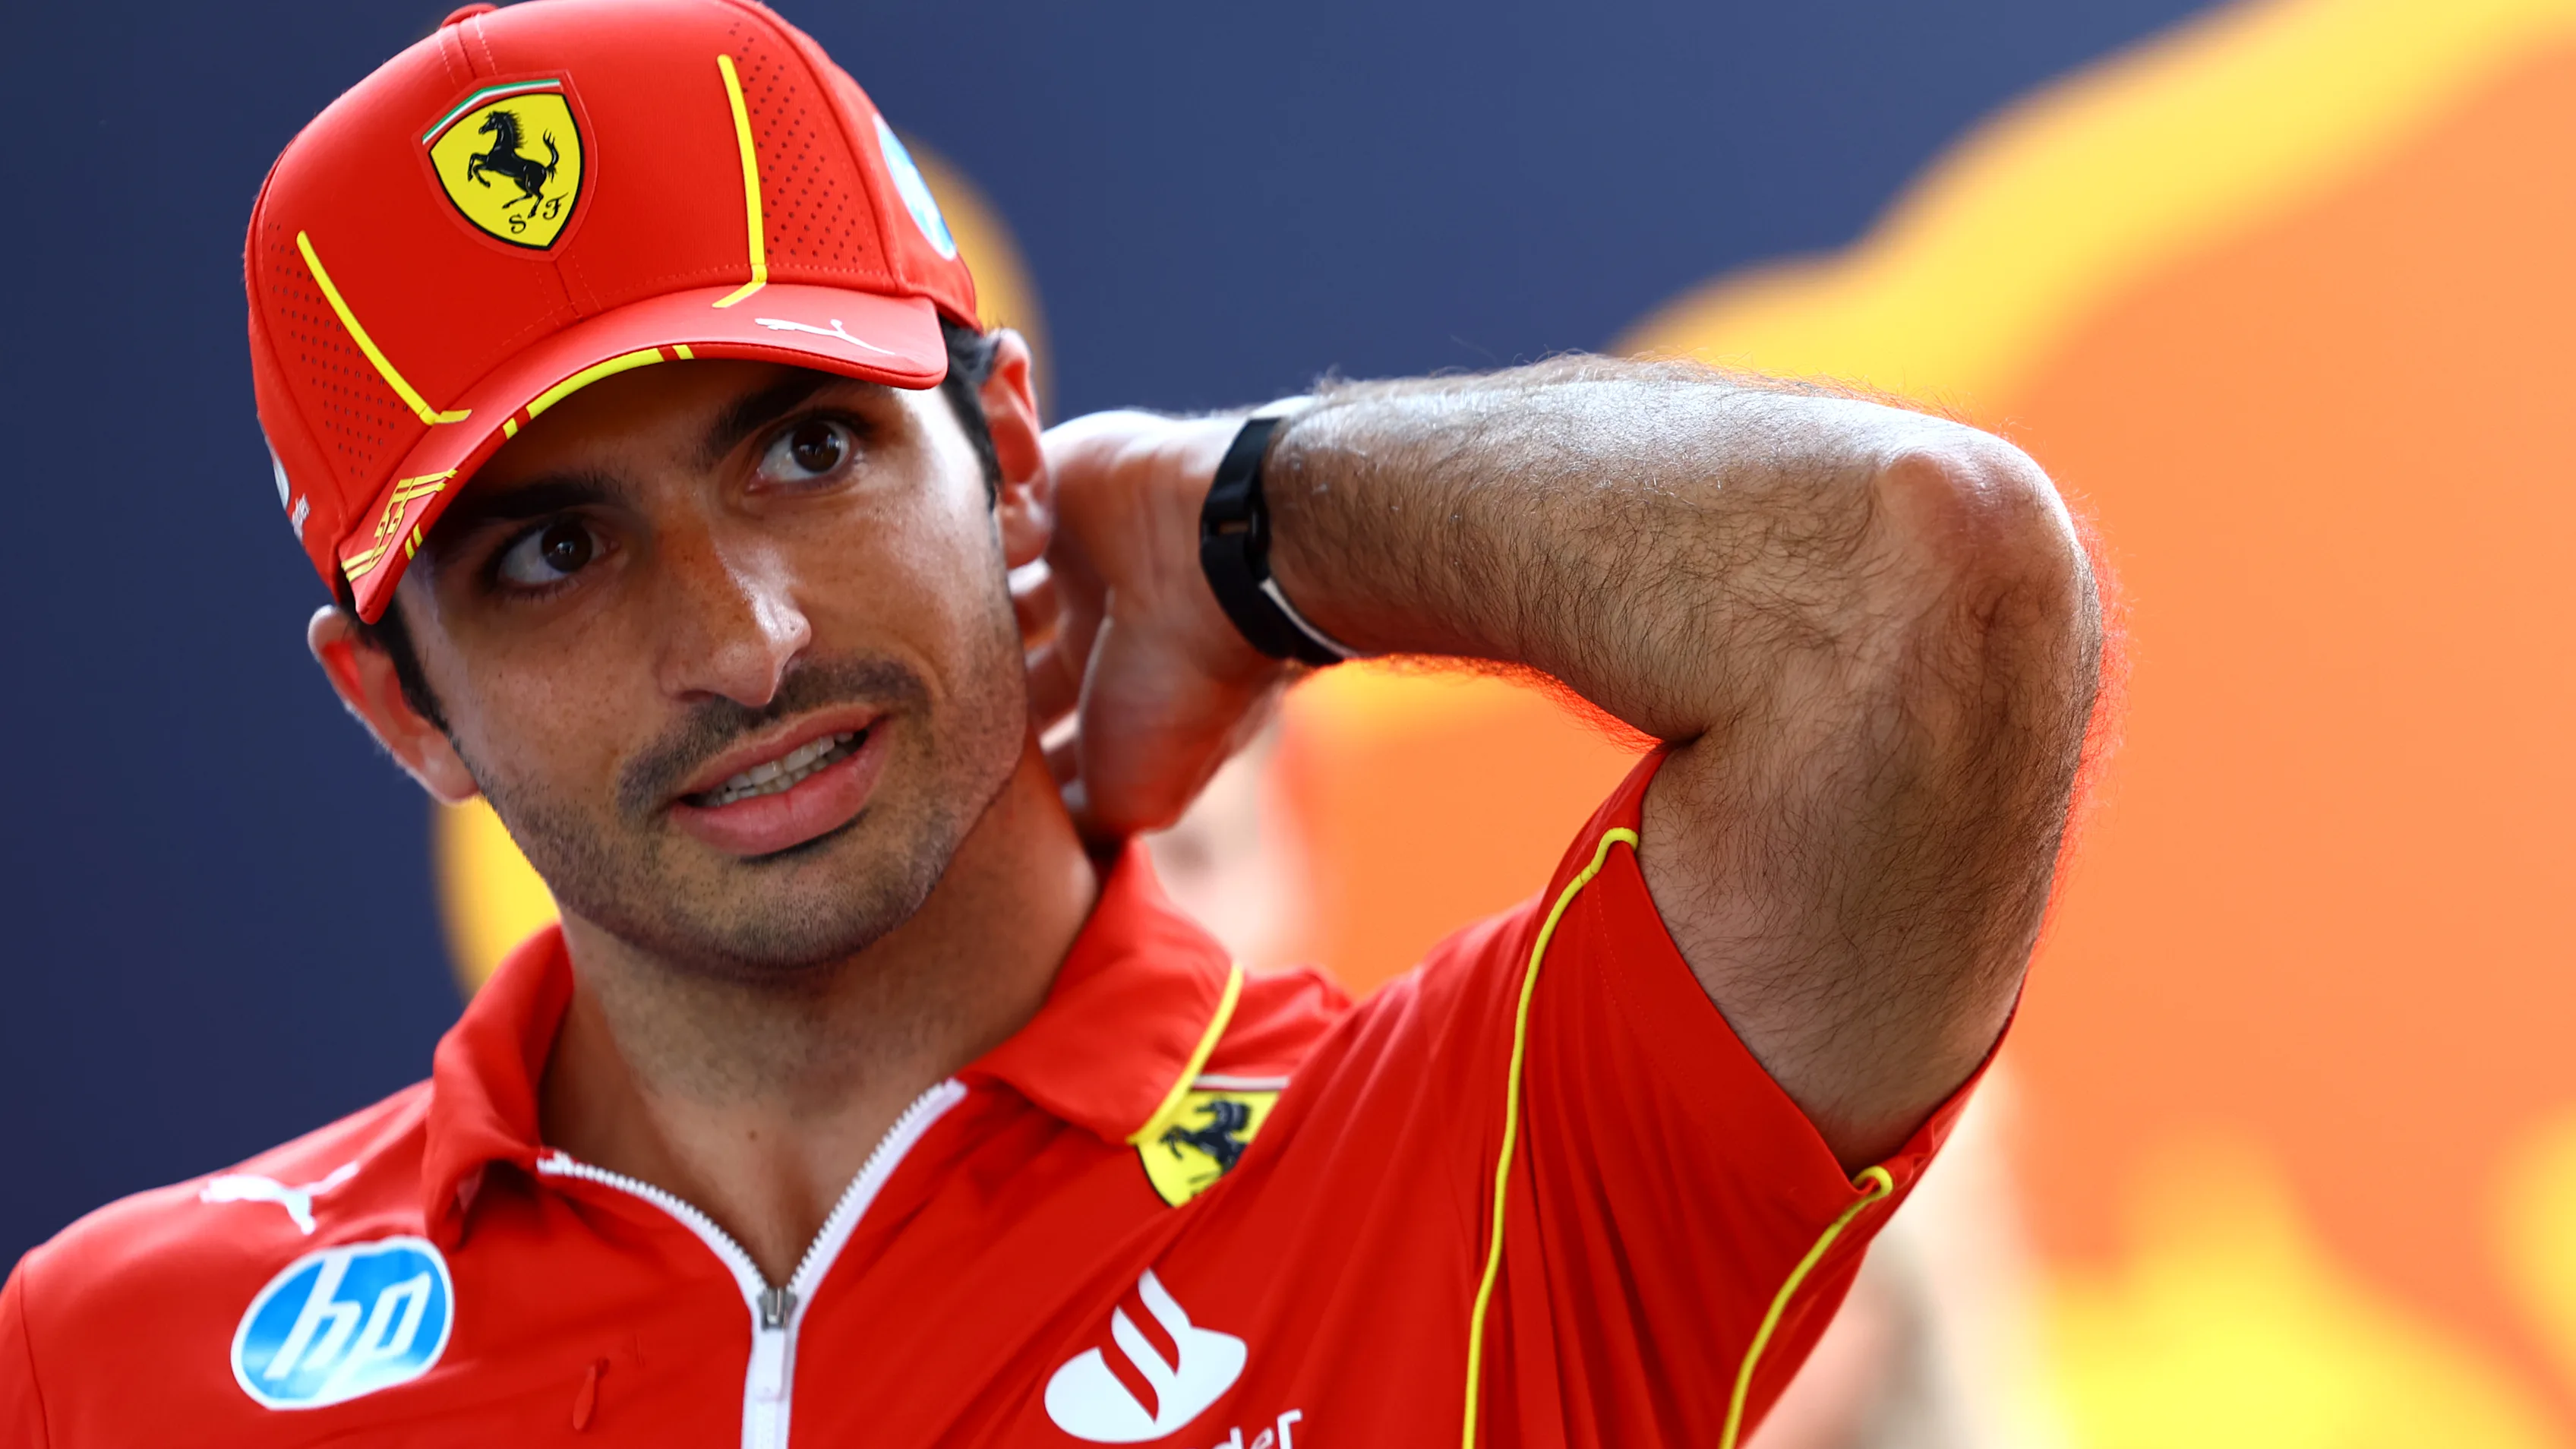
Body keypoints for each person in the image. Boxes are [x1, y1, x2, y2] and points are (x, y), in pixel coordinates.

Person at [0, 0, 2102, 1444]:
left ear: (1006, 452)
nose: (738, 637)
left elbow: (1933, 589)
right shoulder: (125, 1358)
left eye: (808, 449)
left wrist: (1240, 521)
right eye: (552, 555)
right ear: (397, 705)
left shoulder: (1467, 1174)